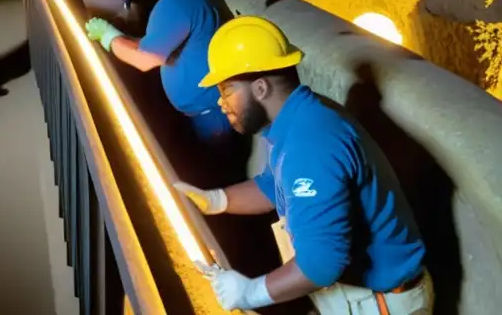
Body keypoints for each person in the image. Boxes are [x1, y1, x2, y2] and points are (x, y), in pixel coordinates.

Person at [176, 16, 432, 314]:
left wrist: (250, 292)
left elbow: (322, 264)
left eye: (227, 90)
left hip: (381, 303)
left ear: (260, 88)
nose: (221, 102)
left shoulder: (309, 144)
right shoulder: (297, 119)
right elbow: (274, 187)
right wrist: (215, 201)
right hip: (361, 295)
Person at [84, 0, 235, 143]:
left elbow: (144, 59)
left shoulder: (175, 3)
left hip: (210, 121)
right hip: (217, 112)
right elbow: (159, 44)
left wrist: (108, 36)